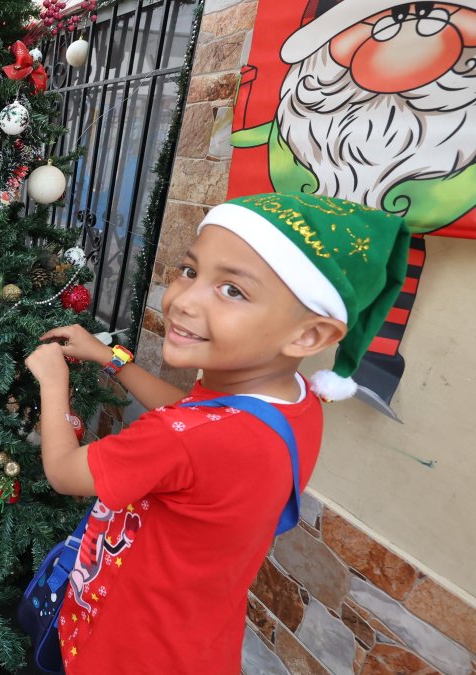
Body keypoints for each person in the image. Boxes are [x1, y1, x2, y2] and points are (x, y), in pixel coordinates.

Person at [24, 193, 409, 673]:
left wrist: (53, 382)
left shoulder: (184, 439)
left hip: (126, 648)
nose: (183, 300)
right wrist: (111, 358)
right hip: (195, 640)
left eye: (233, 291)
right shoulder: (294, 402)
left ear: (309, 336)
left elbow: (64, 471)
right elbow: (194, 413)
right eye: (190, 271)